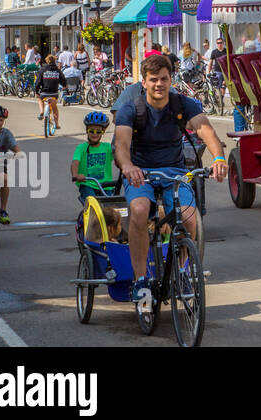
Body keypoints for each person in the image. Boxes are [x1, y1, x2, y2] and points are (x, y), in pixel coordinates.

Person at [113, 54, 227, 302]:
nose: (159, 84)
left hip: (174, 172)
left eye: (164, 79)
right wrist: (128, 165)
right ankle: (140, 280)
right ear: (143, 82)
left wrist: (218, 158)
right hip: (140, 173)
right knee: (140, 210)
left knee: (189, 216)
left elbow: (205, 130)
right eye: (153, 79)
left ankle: (183, 271)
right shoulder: (131, 109)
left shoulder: (182, 104)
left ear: (170, 80)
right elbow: (121, 143)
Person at [71, 111, 116, 203]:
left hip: (106, 185)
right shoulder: (81, 148)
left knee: (112, 207)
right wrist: (76, 175)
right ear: (87, 130)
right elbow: (75, 163)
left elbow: (120, 155)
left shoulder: (107, 147)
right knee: (92, 203)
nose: (94, 134)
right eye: (91, 131)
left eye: (98, 131)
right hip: (88, 184)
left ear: (103, 132)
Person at [35, 54, 66, 131]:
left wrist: (36, 91)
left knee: (39, 98)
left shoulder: (42, 70)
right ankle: (57, 124)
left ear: (47, 61)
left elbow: (37, 82)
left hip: (44, 93)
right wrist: (65, 86)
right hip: (54, 93)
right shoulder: (58, 70)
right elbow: (63, 81)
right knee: (55, 107)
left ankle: (42, 111)